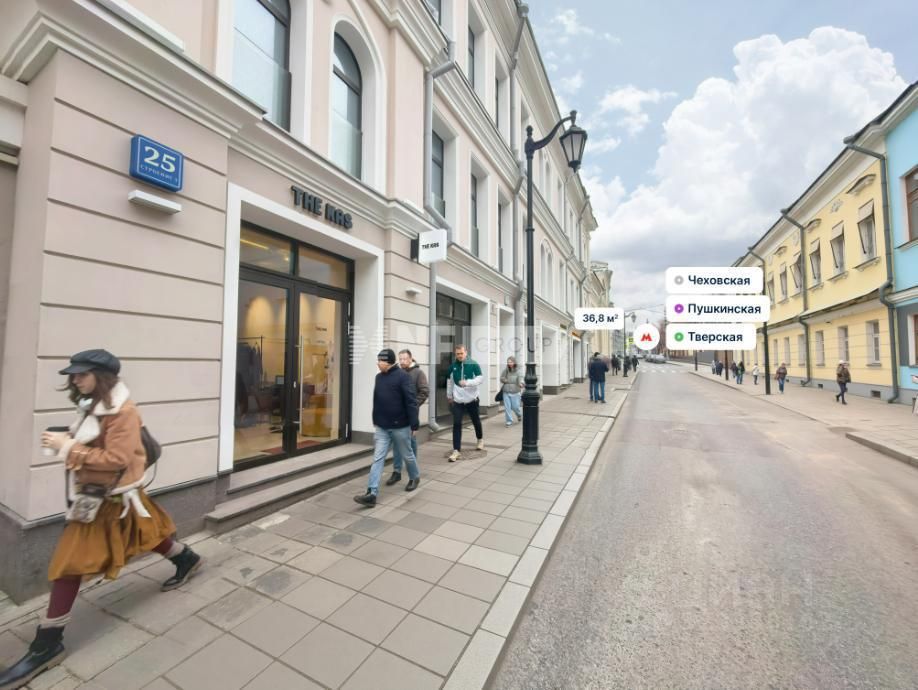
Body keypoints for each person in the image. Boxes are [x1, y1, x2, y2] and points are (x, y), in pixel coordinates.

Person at [0, 350, 202, 690]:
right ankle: (187, 558)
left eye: (82, 374)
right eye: (73, 374)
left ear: (102, 376)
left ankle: (47, 645)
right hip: (112, 494)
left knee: (68, 565)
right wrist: (67, 441)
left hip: (106, 499)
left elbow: (116, 458)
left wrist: (68, 448)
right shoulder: (91, 404)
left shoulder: (123, 411)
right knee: (146, 532)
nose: (75, 379)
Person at [355, 349, 420, 507]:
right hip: (382, 427)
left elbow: (411, 401)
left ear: (388, 362)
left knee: (407, 455)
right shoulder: (378, 377)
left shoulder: (403, 377)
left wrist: (414, 424)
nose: (378, 363)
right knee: (378, 458)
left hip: (400, 426)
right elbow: (377, 400)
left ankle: (414, 477)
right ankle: (371, 493)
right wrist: (375, 419)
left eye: (380, 361)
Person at [386, 349, 428, 487]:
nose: (402, 361)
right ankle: (396, 472)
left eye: (405, 359)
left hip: (410, 415)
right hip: (396, 415)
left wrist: (412, 405)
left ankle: (413, 472)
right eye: (400, 359)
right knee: (397, 443)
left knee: (411, 443)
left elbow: (424, 391)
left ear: (411, 359)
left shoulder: (418, 373)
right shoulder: (397, 373)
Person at [446, 345, 484, 462]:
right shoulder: (452, 367)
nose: (459, 356)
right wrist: (449, 395)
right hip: (458, 400)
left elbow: (480, 379)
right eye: (457, 354)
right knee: (457, 423)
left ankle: (480, 439)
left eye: (461, 353)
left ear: (466, 352)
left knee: (475, 420)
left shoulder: (473, 364)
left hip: (472, 399)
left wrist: (467, 382)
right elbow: (450, 382)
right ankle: (456, 450)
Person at [500, 357, 524, 426]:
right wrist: (506, 380)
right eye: (508, 362)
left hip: (515, 391)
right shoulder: (506, 370)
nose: (509, 363)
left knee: (515, 407)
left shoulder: (518, 371)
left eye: (511, 362)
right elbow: (501, 378)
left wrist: (521, 384)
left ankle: (519, 415)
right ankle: (509, 421)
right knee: (507, 407)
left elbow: (521, 379)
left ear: (514, 362)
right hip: (506, 391)